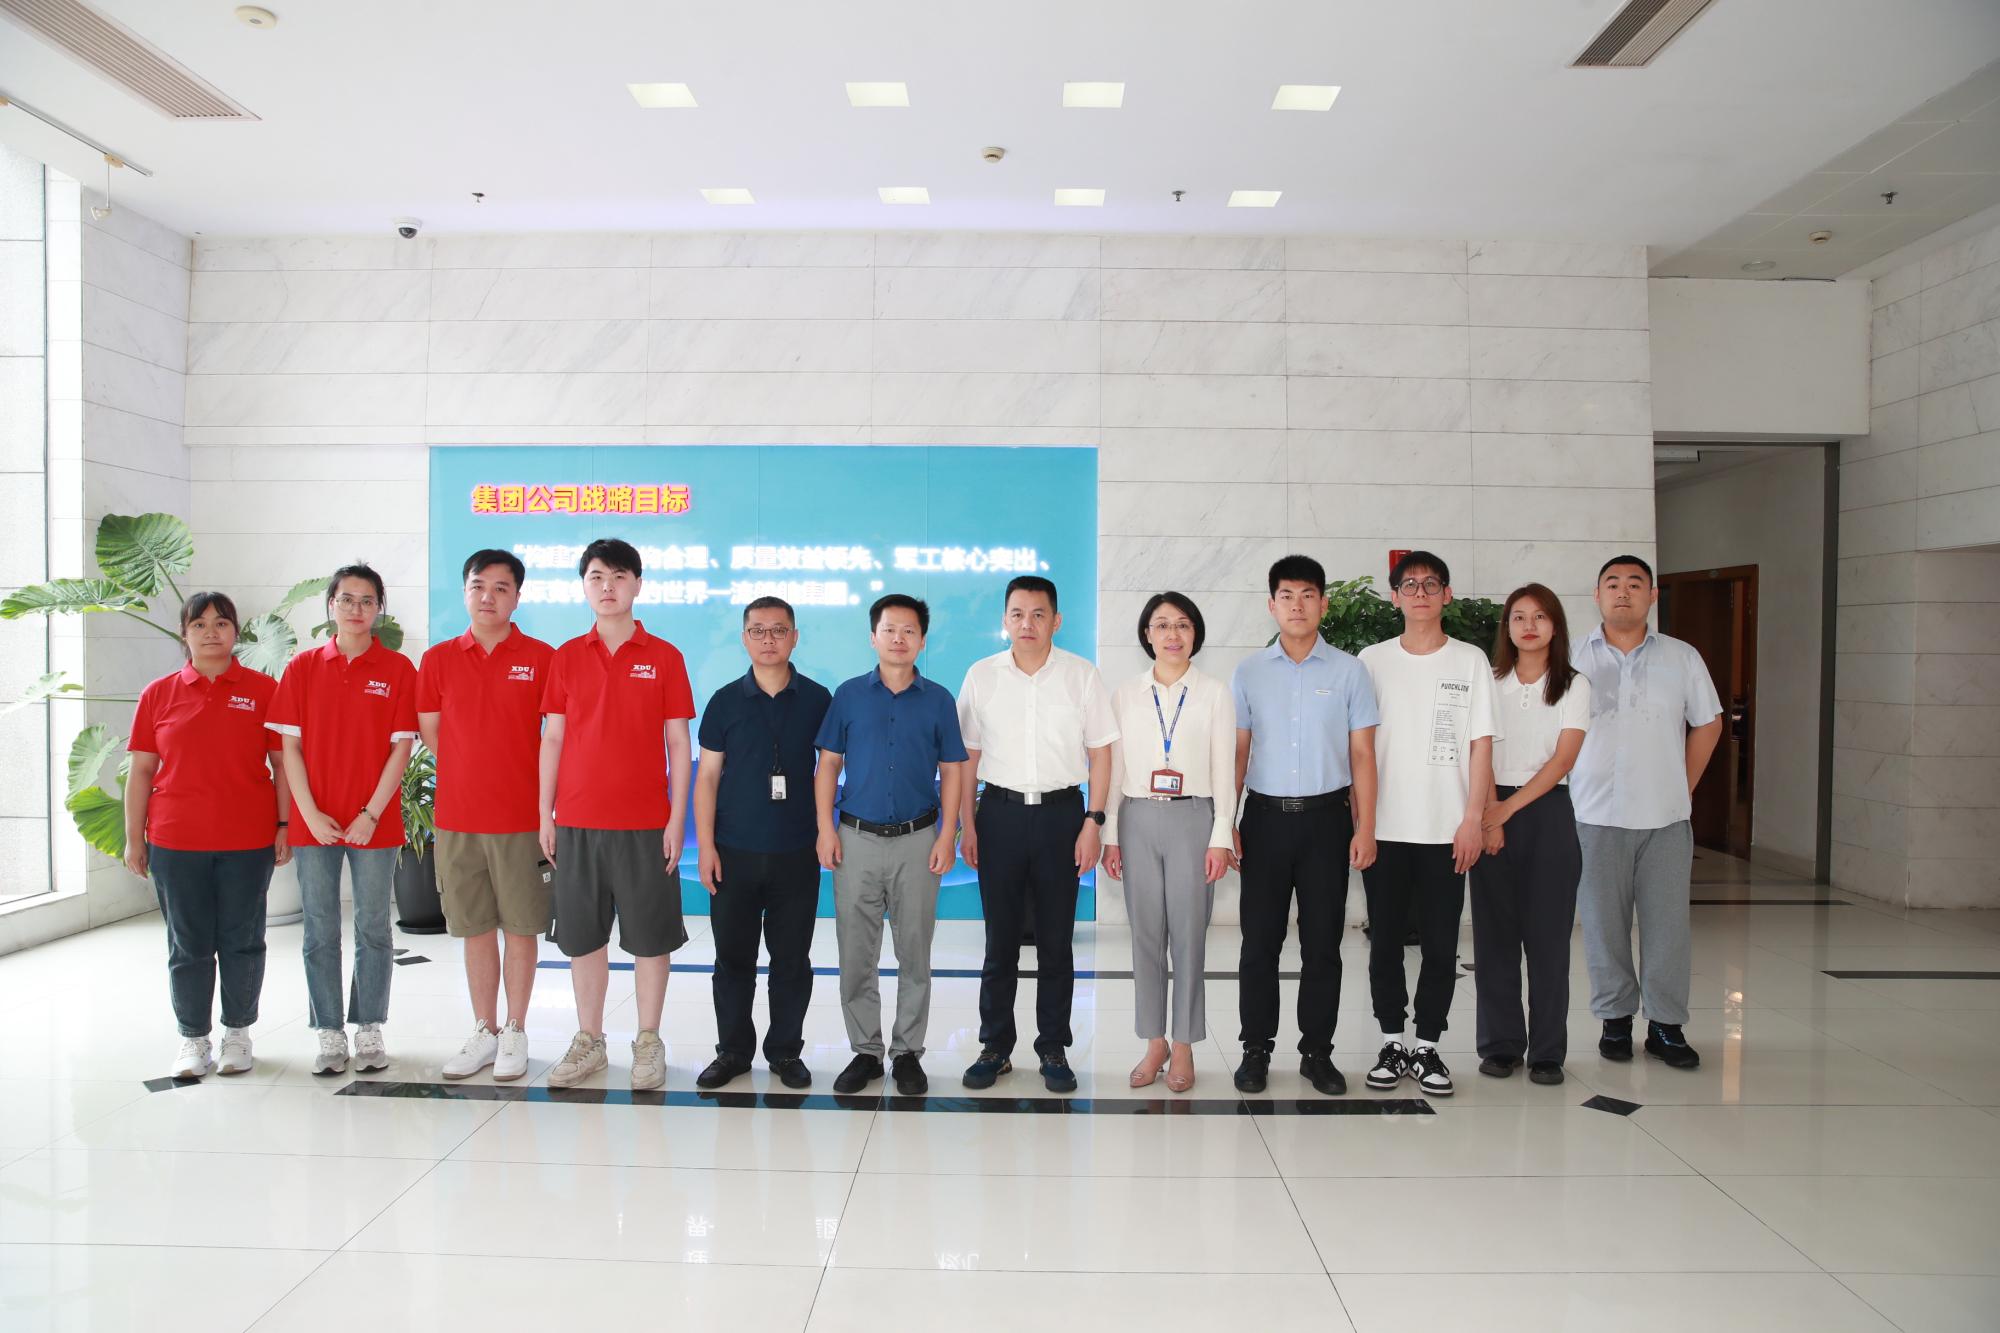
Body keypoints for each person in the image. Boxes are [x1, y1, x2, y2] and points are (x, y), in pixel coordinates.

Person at [537, 538, 696, 1091]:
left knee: (651, 938)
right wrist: (546, 814)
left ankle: (648, 1040)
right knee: (583, 938)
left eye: (619, 576)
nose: (608, 587)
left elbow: (679, 743)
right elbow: (553, 738)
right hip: (578, 822)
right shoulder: (566, 657)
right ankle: (590, 1040)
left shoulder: (665, 656)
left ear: (638, 584)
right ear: (584, 585)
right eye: (597, 577)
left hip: (646, 824)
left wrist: (676, 820)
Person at [956, 575, 1118, 1094]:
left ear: (1056, 620)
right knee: (999, 941)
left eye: (1038, 614)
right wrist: (967, 824)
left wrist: (1094, 822)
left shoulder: (1081, 675)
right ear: (1005, 620)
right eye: (1018, 613)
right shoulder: (981, 676)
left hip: (1061, 816)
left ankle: (1053, 1047)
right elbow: (967, 758)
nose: (1027, 623)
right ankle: (995, 1047)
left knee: (1055, 941)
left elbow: (1101, 754)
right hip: (998, 814)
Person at [1230, 554, 1380, 1096]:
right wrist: (1227, 823)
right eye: (1287, 596)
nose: (1298, 605)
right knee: (1259, 944)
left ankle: (1317, 1052)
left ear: (1324, 603)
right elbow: (1238, 753)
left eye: (1308, 595)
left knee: (1322, 945)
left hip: (1326, 823)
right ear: (1271, 605)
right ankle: (1256, 1050)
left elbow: (1362, 755)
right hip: (1265, 821)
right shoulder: (1248, 672)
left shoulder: (1349, 671)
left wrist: (1365, 827)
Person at [123, 592, 291, 1079]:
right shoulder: (159, 694)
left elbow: (282, 766)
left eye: (221, 623)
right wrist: (135, 838)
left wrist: (284, 826)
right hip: (176, 841)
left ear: (236, 631)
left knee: (243, 940)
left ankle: (238, 1033)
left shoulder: (263, 690)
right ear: (185, 634)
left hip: (248, 840)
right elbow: (141, 772)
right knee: (188, 943)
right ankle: (193, 1038)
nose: (211, 632)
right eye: (199, 624)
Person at [1571, 555, 1724, 1070]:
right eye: (1612, 583)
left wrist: (1684, 786)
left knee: (1668, 928)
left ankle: (1665, 1025)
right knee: (1602, 927)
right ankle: (1615, 1020)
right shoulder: (1572, 658)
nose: (1623, 592)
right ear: (1597, 595)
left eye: (1635, 584)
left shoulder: (1681, 657)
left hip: (1665, 818)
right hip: (1593, 814)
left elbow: (1708, 723)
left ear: (1652, 596)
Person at [814, 594, 968, 1097]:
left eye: (909, 631)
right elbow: (829, 764)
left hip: (918, 841)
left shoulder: (939, 700)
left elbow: (952, 771)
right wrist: (825, 828)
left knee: (914, 954)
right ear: (873, 637)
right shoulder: (849, 695)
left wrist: (947, 835)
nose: (898, 638)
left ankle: (907, 1053)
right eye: (889, 629)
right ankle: (865, 1051)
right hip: (854, 839)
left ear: (922, 641)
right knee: (856, 953)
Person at [268, 564, 419, 1076]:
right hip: (315, 822)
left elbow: (401, 749)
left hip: (374, 822)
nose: (357, 609)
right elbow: (288, 748)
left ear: (380, 609)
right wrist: (308, 813)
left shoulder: (398, 669)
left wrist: (370, 813)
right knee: (319, 928)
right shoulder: (303, 667)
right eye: (347, 599)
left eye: (367, 601)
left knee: (373, 926)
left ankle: (369, 1025)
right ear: (330, 605)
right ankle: (329, 1030)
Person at [1357, 550, 1497, 1098]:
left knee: (1441, 945)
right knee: (1385, 943)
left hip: (1448, 829)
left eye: (1431, 583)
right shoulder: (1371, 661)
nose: (1420, 593)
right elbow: (1358, 749)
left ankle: (1428, 1045)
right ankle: (1392, 1042)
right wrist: (1362, 823)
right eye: (1409, 585)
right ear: (1394, 597)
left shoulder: (1470, 661)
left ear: (1447, 594)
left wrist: (1473, 819)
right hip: (1385, 827)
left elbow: (1481, 746)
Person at [418, 549, 555, 1082]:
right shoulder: (438, 659)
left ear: (517, 597)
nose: (488, 596)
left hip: (521, 819)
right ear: (465, 592)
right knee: (474, 928)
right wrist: (469, 770)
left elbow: (554, 737)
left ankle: (516, 1030)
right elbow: (432, 731)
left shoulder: (542, 658)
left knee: (521, 928)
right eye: (478, 586)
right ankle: (485, 1030)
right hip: (458, 819)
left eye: (501, 588)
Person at [691, 596, 831, 1091]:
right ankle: (732, 1051)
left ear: (795, 637)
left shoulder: (818, 699)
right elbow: (708, 778)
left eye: (778, 630)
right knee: (733, 960)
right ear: (744, 637)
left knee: (792, 961)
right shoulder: (724, 701)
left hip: (797, 850)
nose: (768, 639)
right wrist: (706, 847)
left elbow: (830, 770)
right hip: (734, 851)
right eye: (758, 630)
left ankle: (786, 1052)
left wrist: (826, 831)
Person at [1100, 592, 1234, 1093]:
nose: (1172, 634)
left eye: (1182, 624)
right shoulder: (1126, 694)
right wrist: (1111, 834)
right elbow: (1115, 769)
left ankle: (1184, 1044)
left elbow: (1224, 770)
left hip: (1193, 818)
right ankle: (1153, 1041)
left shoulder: (1214, 693)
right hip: (1137, 818)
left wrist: (1221, 835)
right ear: (1147, 635)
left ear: (1195, 633)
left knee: (1189, 936)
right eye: (1162, 625)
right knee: (1145, 937)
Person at [1472, 584, 1591, 1085]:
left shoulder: (1574, 685)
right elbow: (1476, 750)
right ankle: (1501, 1046)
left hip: (1547, 812)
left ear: (1555, 625)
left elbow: (1564, 759)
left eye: (1539, 616)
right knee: (1495, 938)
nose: (1528, 626)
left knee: (1548, 941)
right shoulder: (1488, 680)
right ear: (1507, 627)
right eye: (1518, 617)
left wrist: (1507, 810)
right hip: (1490, 803)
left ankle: (1547, 1052)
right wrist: (1490, 813)